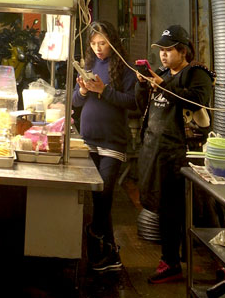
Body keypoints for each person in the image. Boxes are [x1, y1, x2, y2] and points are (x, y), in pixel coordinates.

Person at [135, 24, 214, 284]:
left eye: (169, 50)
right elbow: (142, 107)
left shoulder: (196, 73)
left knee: (190, 210)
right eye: (161, 50)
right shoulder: (161, 73)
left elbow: (197, 100)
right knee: (164, 208)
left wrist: (163, 85)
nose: (163, 55)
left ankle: (214, 263)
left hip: (182, 154)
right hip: (156, 152)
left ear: (183, 50)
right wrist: (142, 85)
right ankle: (170, 260)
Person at [72, 21, 138, 272]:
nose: (99, 49)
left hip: (113, 140)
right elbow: (77, 103)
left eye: (103, 43)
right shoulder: (89, 64)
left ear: (113, 42)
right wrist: (83, 90)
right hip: (88, 138)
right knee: (97, 198)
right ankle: (109, 254)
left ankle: (96, 241)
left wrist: (104, 90)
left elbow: (133, 102)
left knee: (104, 194)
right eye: (94, 44)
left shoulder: (125, 68)